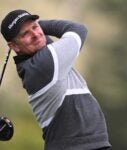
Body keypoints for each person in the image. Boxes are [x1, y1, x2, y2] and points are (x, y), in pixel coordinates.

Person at [0, 9, 111, 150]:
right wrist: (40, 25)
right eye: (25, 34)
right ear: (14, 46)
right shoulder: (43, 65)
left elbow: (42, 40)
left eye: (35, 27)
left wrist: (35, 28)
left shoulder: (37, 61)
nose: (35, 34)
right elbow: (78, 30)